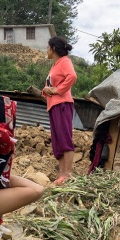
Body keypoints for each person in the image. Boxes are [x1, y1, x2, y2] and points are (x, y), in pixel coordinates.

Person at [41, 36, 77, 184]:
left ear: (53, 49)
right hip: (54, 105)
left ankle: (67, 174)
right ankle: (62, 175)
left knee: (64, 138)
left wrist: (58, 90)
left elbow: (72, 77)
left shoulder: (64, 62)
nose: (46, 50)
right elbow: (50, 87)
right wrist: (46, 90)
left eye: (48, 47)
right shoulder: (55, 66)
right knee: (57, 142)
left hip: (62, 104)